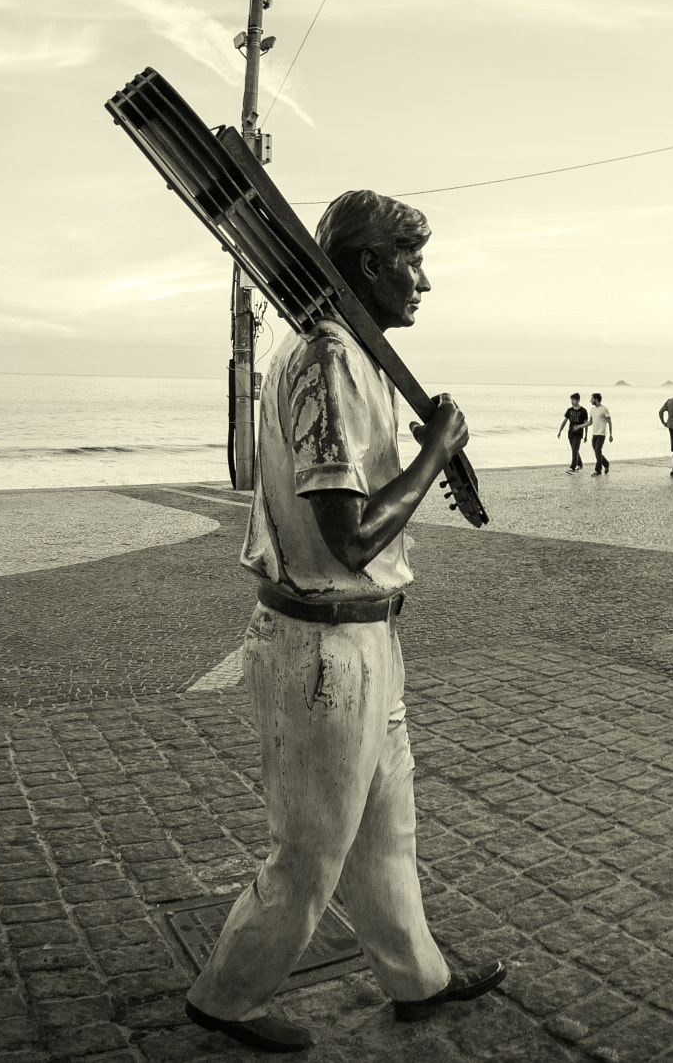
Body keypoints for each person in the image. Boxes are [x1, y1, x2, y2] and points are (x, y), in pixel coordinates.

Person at [185, 190, 505, 1053]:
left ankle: (418, 978)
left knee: (385, 830)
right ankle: (224, 996)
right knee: (311, 851)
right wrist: (437, 447)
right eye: (412, 262)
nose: (425, 282)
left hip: (368, 641)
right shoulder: (325, 359)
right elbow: (350, 534)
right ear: (369, 265)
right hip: (322, 654)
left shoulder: (354, 356)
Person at [556, 392, 588, 472]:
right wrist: (560, 430)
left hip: (579, 433)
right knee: (575, 449)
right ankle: (580, 464)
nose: (571, 402)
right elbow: (565, 421)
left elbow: (586, 423)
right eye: (571, 400)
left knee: (574, 449)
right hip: (571, 433)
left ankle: (572, 467)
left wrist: (586, 435)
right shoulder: (569, 410)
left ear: (578, 400)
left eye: (573, 400)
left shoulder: (583, 411)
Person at [587, 392, 612, 475]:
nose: (590, 400)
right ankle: (606, 464)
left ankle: (598, 470)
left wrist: (610, 435)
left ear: (596, 399)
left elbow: (609, 422)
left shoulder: (604, 409)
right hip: (594, 434)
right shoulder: (592, 409)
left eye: (592, 399)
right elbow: (590, 422)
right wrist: (580, 426)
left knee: (597, 450)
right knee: (597, 452)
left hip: (601, 434)